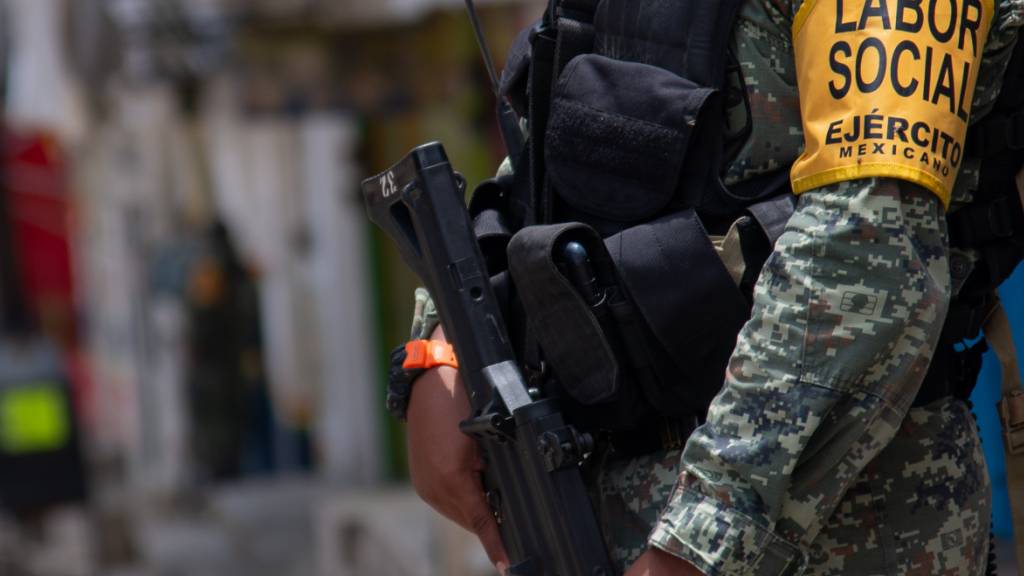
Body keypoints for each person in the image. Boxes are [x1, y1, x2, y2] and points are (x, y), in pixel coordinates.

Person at [402, 1, 1024, 574]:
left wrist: (701, 539)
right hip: (608, 514)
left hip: (830, 528)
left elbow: (870, 245)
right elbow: (566, 149)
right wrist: (445, 348)